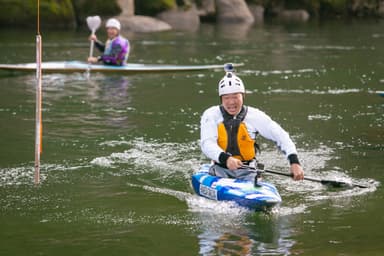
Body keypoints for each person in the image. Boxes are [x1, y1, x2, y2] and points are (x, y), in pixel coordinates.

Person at [200, 63, 304, 181]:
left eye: (235, 97)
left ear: (243, 96)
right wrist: (226, 159)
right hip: (219, 169)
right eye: (226, 98)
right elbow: (207, 144)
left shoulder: (255, 116)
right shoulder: (211, 115)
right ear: (221, 99)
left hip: (248, 171)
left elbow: (280, 136)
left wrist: (294, 161)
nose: (231, 102)